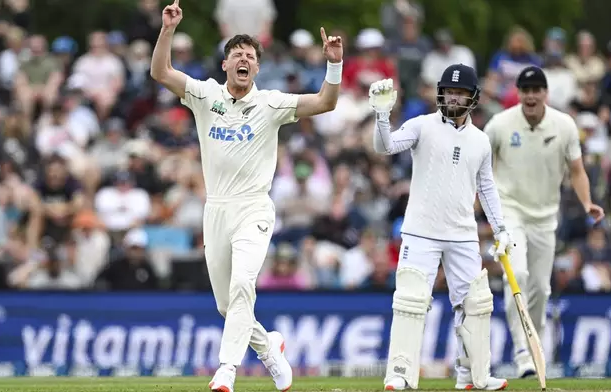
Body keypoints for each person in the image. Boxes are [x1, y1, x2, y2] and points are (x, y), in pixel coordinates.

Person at [150, 1, 344, 391]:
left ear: (257, 68)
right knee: (227, 305)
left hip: (254, 207)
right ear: (225, 65)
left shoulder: (271, 103)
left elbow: (326, 102)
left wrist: (334, 64)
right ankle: (269, 349)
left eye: (250, 56)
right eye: (236, 54)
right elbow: (160, 71)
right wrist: (168, 29)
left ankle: (226, 370)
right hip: (216, 208)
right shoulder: (205, 96)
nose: (243, 59)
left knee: (243, 286)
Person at [370, 64, 512, 391]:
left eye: (460, 92)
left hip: (462, 234)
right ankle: (400, 373)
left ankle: (473, 376)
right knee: (410, 299)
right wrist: (381, 115)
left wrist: (501, 228)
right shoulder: (422, 125)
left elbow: (487, 188)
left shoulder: (480, 141)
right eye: (449, 90)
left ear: (473, 97)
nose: (453, 97)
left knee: (475, 303)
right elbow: (385, 146)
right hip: (420, 231)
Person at [483, 65, 604, 378]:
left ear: (546, 94)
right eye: (526, 90)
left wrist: (587, 202)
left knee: (540, 289)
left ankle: (533, 346)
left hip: (546, 217)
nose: (531, 95)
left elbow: (576, 170)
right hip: (509, 212)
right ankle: (522, 352)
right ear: (519, 93)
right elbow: (479, 163)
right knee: (518, 275)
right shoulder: (500, 124)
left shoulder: (563, 125)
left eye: (537, 90)